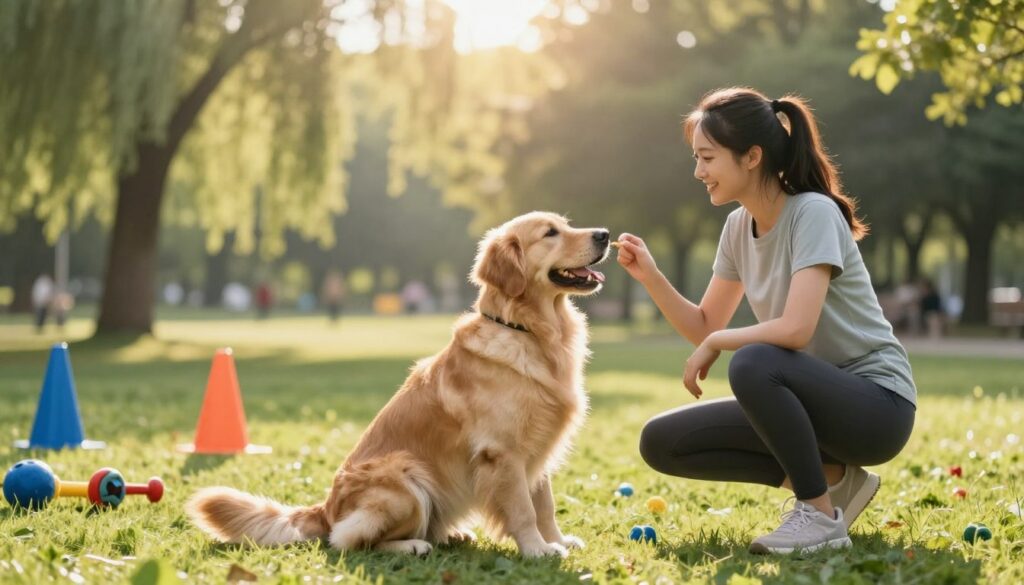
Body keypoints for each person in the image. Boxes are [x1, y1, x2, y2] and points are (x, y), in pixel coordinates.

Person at [615, 87, 916, 555]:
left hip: (877, 406)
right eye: (697, 158)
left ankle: (817, 516)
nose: (699, 172)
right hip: (810, 401)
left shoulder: (812, 213)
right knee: (663, 441)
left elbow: (796, 329)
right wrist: (651, 277)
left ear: (752, 156)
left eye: (708, 158)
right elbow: (705, 324)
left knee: (753, 362)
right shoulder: (738, 227)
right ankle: (835, 482)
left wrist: (721, 341)